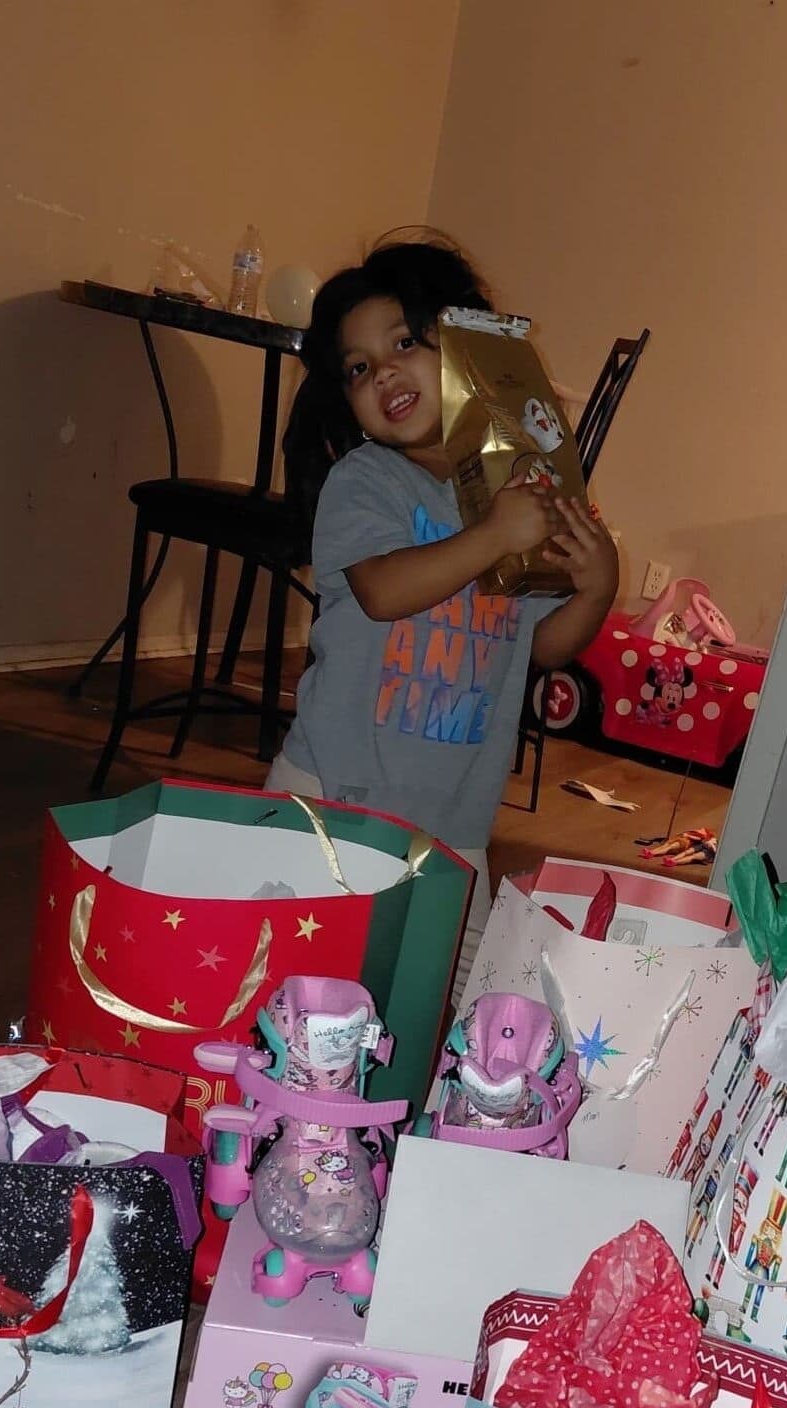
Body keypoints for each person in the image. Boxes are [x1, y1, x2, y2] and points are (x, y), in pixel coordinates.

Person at [269, 235, 619, 1003]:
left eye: (404, 342)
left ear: (465, 350)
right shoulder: (367, 479)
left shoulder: (513, 491)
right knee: (294, 986)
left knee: (439, 1003)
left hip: (453, 819)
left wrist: (595, 587)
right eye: (358, 367)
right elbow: (382, 591)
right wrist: (495, 534)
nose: (383, 370)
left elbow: (544, 646)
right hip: (334, 795)